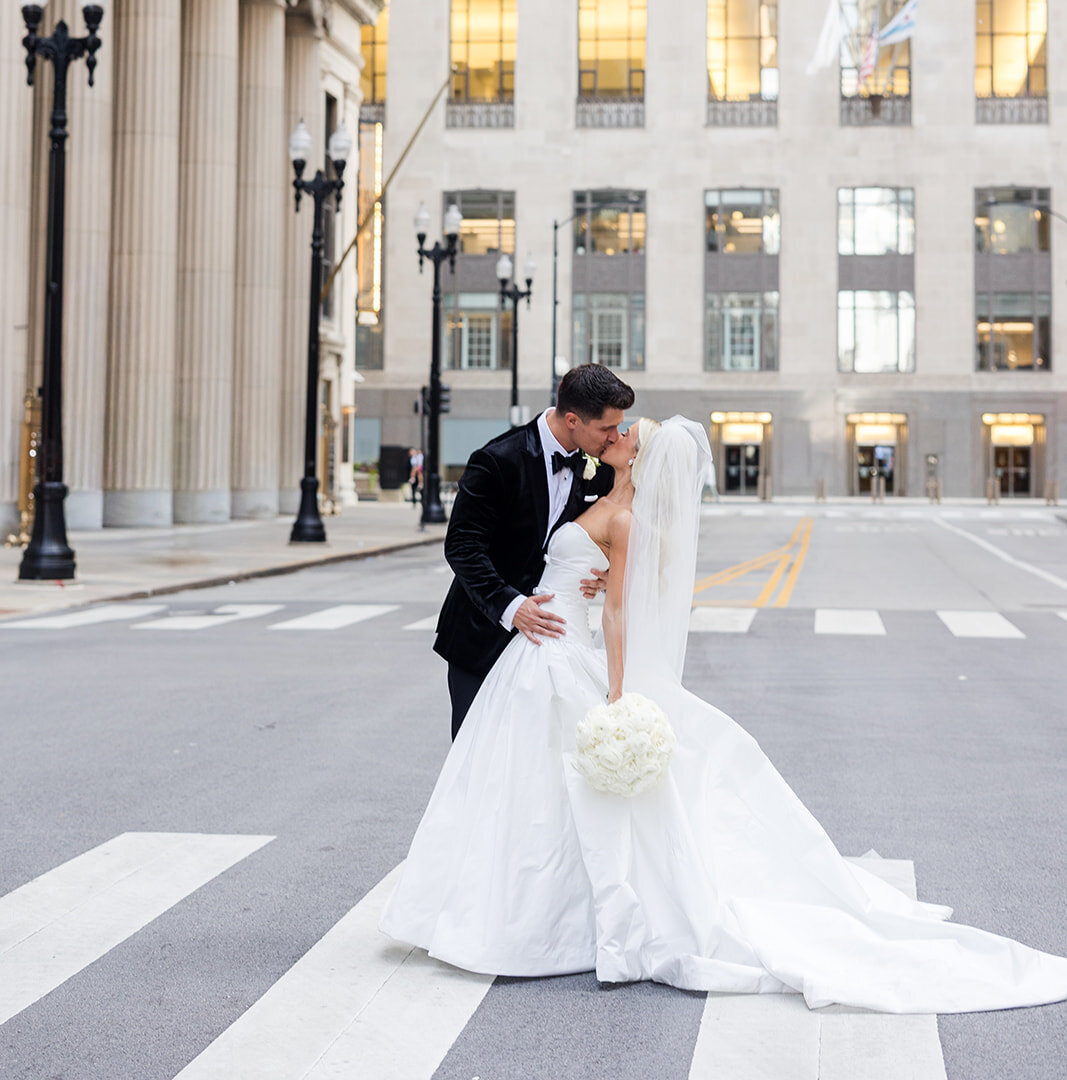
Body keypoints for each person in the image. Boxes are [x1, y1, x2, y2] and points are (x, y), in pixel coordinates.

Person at [381, 415, 1067, 1013]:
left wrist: (619, 693)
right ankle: (495, 906)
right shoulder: (593, 486)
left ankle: (541, 919)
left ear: (639, 458)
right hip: (525, 648)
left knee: (557, 791)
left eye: (626, 435)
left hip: (563, 650)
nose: (617, 436)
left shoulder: (623, 515)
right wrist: (555, 585)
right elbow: (525, 544)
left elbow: (618, 607)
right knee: (514, 785)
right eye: (612, 428)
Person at [432, 363, 635, 740]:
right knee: (478, 756)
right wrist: (512, 606)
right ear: (572, 419)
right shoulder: (496, 461)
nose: (613, 437)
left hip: (555, 649)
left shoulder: (601, 470)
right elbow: (462, 546)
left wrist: (608, 575)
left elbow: (604, 537)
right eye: (606, 428)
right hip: (483, 637)